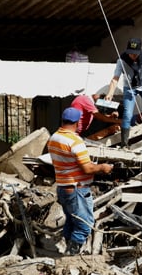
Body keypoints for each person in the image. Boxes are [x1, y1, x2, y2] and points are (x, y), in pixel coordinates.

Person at [47, 107, 114, 255]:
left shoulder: (53, 138)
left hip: (63, 187)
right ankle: (72, 254)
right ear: (78, 122)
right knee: (84, 225)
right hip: (77, 188)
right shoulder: (75, 141)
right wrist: (103, 167)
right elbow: (88, 169)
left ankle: (66, 251)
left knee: (71, 221)